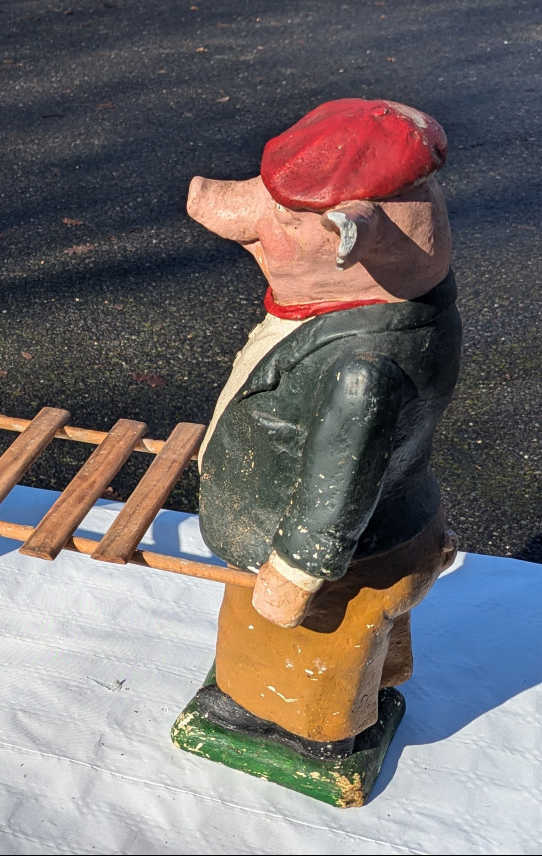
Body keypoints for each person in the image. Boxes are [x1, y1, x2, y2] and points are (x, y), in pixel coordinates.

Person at [185, 99, 461, 758]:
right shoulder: (414, 310)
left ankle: (313, 732)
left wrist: (296, 571)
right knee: (368, 634)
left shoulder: (363, 370)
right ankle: (368, 684)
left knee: (295, 642)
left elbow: (339, 484)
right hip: (393, 528)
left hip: (334, 558)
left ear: (348, 240)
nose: (253, 222)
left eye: (283, 217)